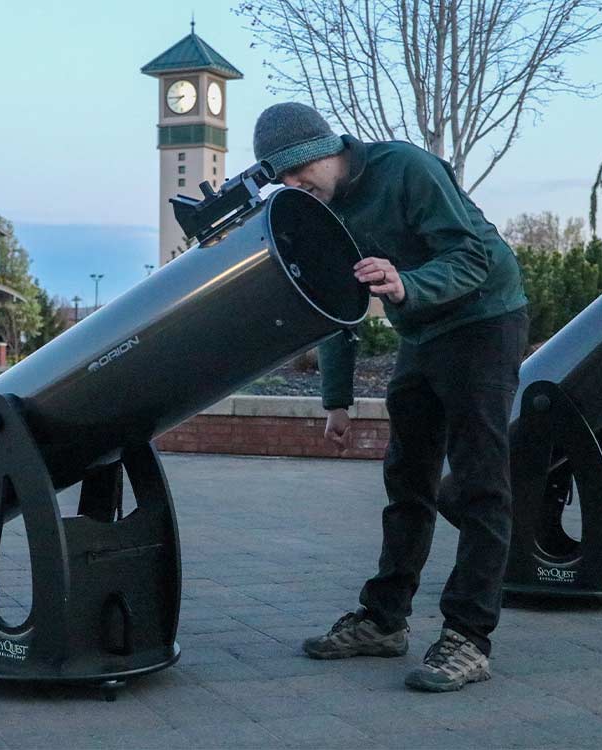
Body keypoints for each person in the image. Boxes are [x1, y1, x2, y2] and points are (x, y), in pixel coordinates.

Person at [254, 103, 529, 692]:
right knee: (407, 477)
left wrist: (409, 283)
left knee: (481, 481)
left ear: (329, 150)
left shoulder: (406, 167)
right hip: (424, 331)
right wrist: (337, 400)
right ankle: (384, 620)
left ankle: (469, 638)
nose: (294, 188)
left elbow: (472, 256)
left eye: (300, 174)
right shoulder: (320, 206)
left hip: (484, 319)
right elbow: (333, 305)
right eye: (283, 181)